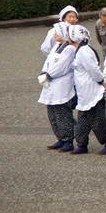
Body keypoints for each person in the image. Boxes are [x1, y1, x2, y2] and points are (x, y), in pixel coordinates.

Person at [68, 25, 106, 155]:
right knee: (83, 118)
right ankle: (81, 143)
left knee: (97, 119)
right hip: (84, 91)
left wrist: (101, 81)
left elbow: (93, 69)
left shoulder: (84, 51)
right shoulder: (80, 50)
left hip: (93, 91)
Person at [38, 22, 77, 152]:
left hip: (61, 84)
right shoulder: (56, 46)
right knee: (52, 112)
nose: (54, 35)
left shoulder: (69, 49)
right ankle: (60, 137)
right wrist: (44, 72)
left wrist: (49, 74)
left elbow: (62, 66)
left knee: (62, 113)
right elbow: (47, 61)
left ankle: (68, 139)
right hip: (50, 84)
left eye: (56, 32)